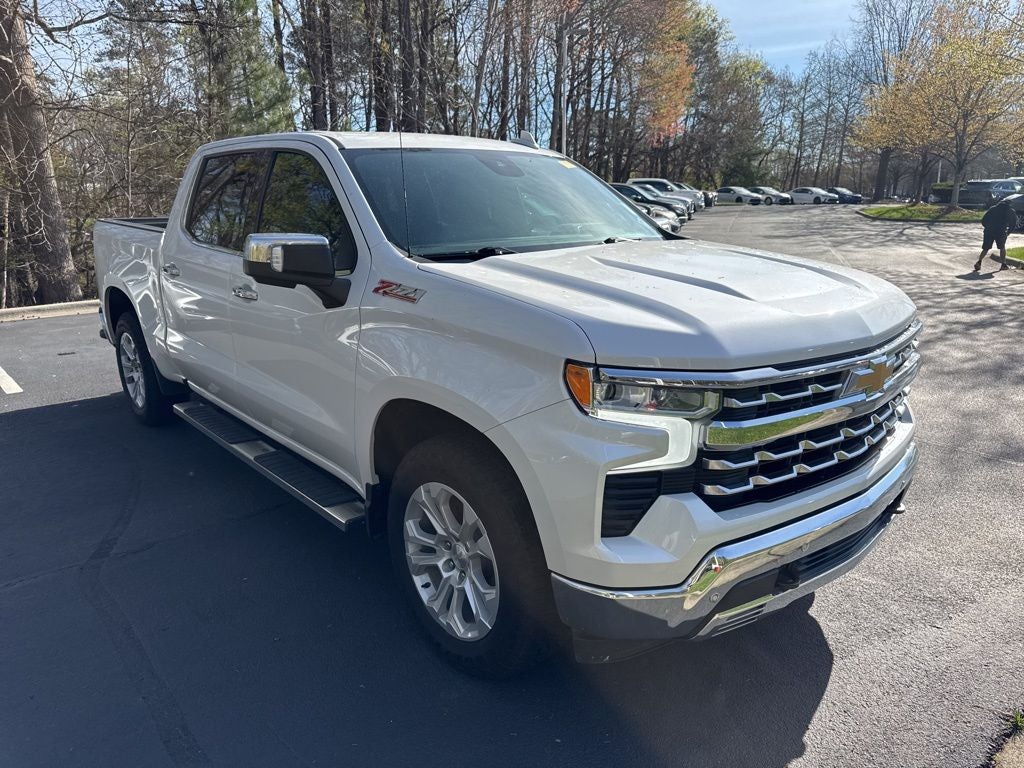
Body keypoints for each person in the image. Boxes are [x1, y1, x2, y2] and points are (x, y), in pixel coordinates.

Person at [974, 200, 1017, 272]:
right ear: (1009, 204)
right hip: (1001, 231)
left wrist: (987, 227)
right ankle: (1003, 264)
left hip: (989, 231)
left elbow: (983, 220)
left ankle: (979, 262)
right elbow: (1013, 223)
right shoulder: (1010, 211)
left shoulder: (993, 208)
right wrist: (1008, 232)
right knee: (1002, 247)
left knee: (986, 248)